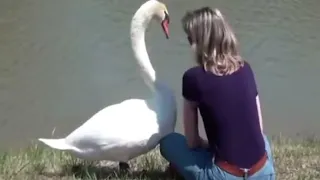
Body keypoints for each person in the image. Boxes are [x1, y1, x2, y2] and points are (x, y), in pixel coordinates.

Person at [159, 6, 276, 180]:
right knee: (263, 140)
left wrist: (208, 147)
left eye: (190, 39)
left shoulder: (193, 78)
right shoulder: (246, 68)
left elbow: (192, 141)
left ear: (199, 43)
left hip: (224, 176)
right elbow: (258, 129)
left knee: (168, 142)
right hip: (264, 173)